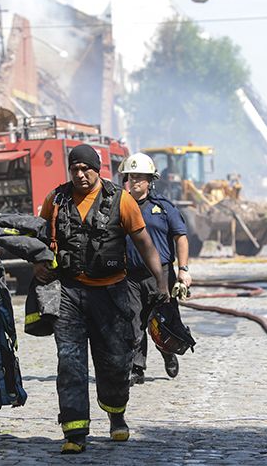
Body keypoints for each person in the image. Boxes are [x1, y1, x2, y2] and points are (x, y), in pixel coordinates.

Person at [33, 144, 169, 454]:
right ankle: (75, 431)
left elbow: (145, 243)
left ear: (98, 170)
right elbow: (40, 236)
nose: (80, 175)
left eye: (86, 169)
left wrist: (161, 283)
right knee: (70, 362)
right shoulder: (56, 199)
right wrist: (37, 262)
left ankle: (116, 415)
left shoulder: (121, 201)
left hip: (111, 293)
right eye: (75, 169)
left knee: (113, 362)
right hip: (68, 293)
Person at [118, 153, 192, 385]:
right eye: (132, 177)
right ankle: (137, 368)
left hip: (161, 275)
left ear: (151, 180)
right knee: (133, 322)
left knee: (162, 320)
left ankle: (167, 352)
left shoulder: (164, 208)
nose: (136, 181)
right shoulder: (119, 206)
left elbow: (181, 237)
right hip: (130, 276)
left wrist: (183, 270)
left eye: (141, 177)